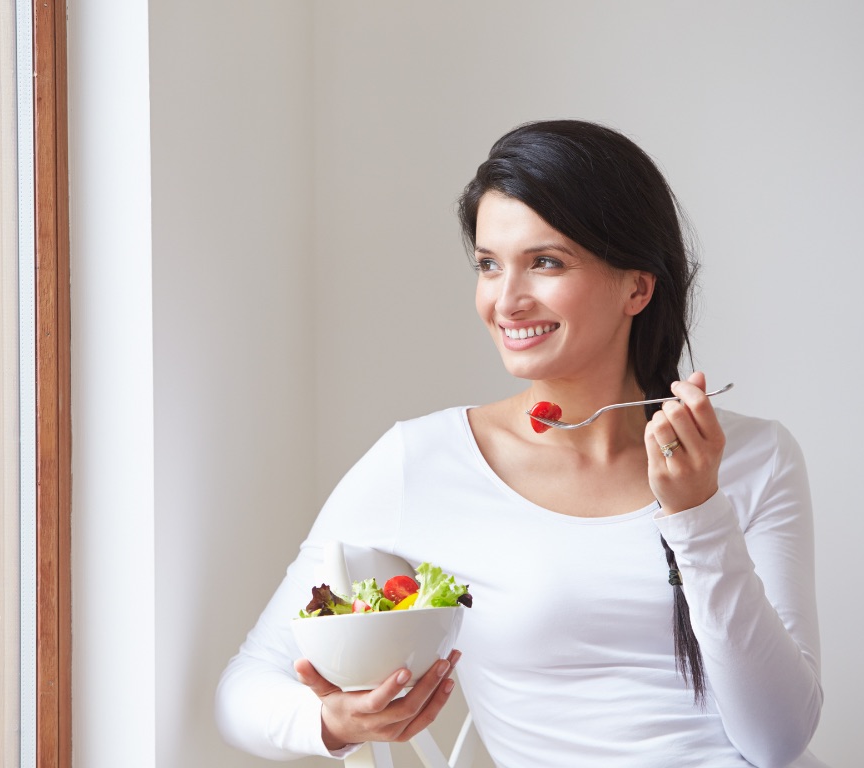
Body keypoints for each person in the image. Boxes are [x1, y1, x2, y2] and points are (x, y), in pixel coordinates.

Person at [215, 120, 826, 767]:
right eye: (488, 265)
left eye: (546, 262)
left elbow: (778, 740)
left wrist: (699, 515)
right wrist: (333, 722)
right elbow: (244, 689)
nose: (506, 301)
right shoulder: (424, 463)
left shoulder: (757, 458)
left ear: (637, 286)